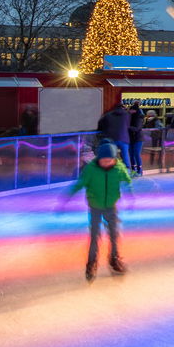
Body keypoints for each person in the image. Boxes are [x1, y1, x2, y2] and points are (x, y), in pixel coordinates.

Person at [59, 138, 132, 281]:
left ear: (114, 159)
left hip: (111, 206)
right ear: (98, 158)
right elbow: (80, 184)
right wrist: (66, 198)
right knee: (94, 236)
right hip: (95, 207)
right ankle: (91, 263)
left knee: (114, 234)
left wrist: (130, 194)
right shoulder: (91, 169)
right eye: (104, 160)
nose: (107, 163)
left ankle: (114, 259)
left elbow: (127, 181)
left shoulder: (119, 168)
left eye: (109, 160)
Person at [97, 102, 131, 166]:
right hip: (124, 138)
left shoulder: (107, 115)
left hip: (111, 138)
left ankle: (113, 170)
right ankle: (128, 172)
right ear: (122, 108)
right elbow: (128, 125)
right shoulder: (126, 114)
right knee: (125, 155)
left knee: (112, 155)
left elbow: (100, 125)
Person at [127, 107, 147, 177]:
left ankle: (139, 170)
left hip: (138, 138)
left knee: (136, 154)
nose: (129, 111)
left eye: (131, 110)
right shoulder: (130, 117)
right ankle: (133, 169)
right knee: (131, 154)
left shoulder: (139, 118)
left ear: (134, 110)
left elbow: (137, 129)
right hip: (131, 138)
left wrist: (127, 127)